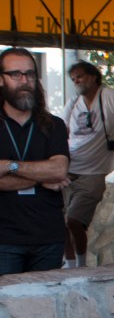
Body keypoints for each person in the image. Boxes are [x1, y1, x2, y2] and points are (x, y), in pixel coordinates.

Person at [0, 48, 69, 275]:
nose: (25, 81)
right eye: (16, 74)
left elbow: (59, 170)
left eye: (30, 74)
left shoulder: (53, 125)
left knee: (46, 309)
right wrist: (41, 178)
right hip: (4, 238)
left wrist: (10, 167)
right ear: (1, 79)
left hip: (48, 237)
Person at [61, 60, 114, 267]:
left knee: (73, 220)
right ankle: (70, 266)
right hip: (67, 171)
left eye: (79, 76)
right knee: (61, 224)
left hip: (93, 172)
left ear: (93, 76)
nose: (76, 81)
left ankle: (80, 265)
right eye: (73, 79)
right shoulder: (72, 103)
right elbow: (61, 132)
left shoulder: (109, 96)